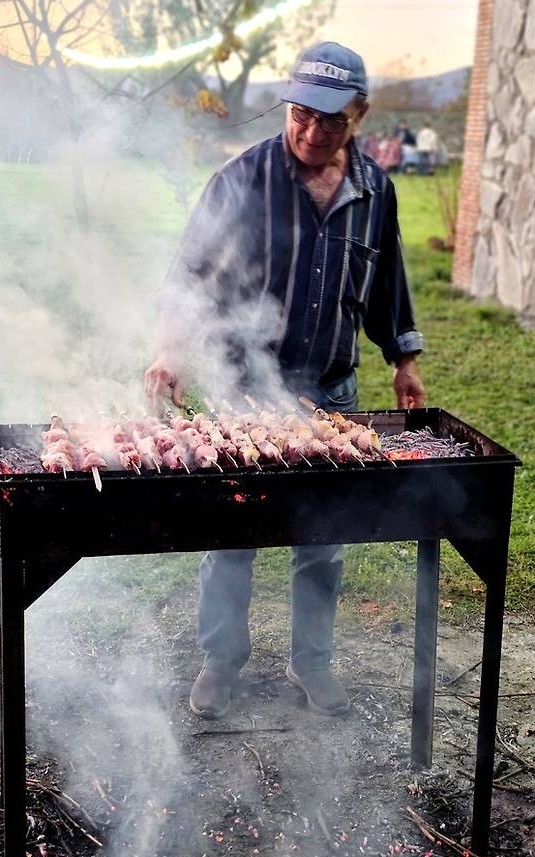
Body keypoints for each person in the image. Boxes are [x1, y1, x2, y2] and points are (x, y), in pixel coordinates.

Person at [144, 41, 426, 720]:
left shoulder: (374, 191)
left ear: (358, 115)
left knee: (323, 537)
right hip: (245, 392)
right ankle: (221, 659)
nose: (310, 130)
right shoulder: (242, 178)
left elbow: (386, 280)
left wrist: (403, 358)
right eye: (300, 113)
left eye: (330, 120)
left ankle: (313, 662)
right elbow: (189, 276)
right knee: (232, 534)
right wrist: (170, 352)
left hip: (331, 394)